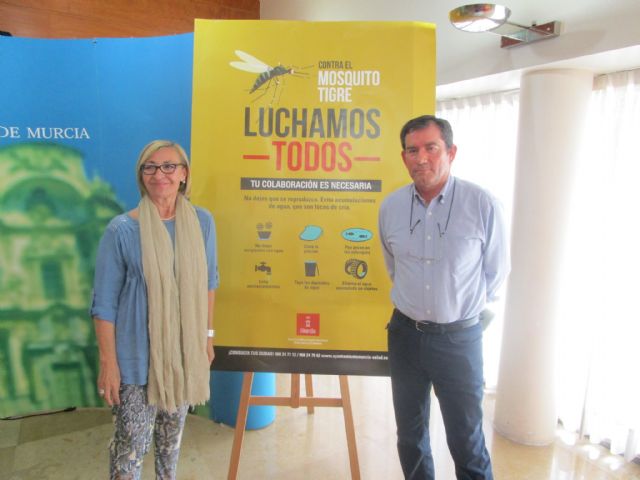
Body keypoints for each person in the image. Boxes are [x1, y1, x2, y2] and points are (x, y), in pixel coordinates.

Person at [378, 115, 510, 479]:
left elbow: (496, 274)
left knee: (466, 441)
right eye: (412, 150)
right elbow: (394, 267)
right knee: (410, 437)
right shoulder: (390, 207)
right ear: (403, 157)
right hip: (405, 336)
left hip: (458, 340)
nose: (421, 158)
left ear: (450, 152)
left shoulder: (482, 204)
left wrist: (458, 311)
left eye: (431, 148)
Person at [91, 140, 219, 479]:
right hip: (135, 361)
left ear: (183, 174)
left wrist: (207, 337)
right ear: (141, 176)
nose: (159, 174)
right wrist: (108, 363)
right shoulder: (122, 230)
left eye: (168, 166)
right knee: (130, 448)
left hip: (182, 355)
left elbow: (209, 282)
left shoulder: (203, 223)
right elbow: (104, 303)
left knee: (170, 444)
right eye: (150, 167)